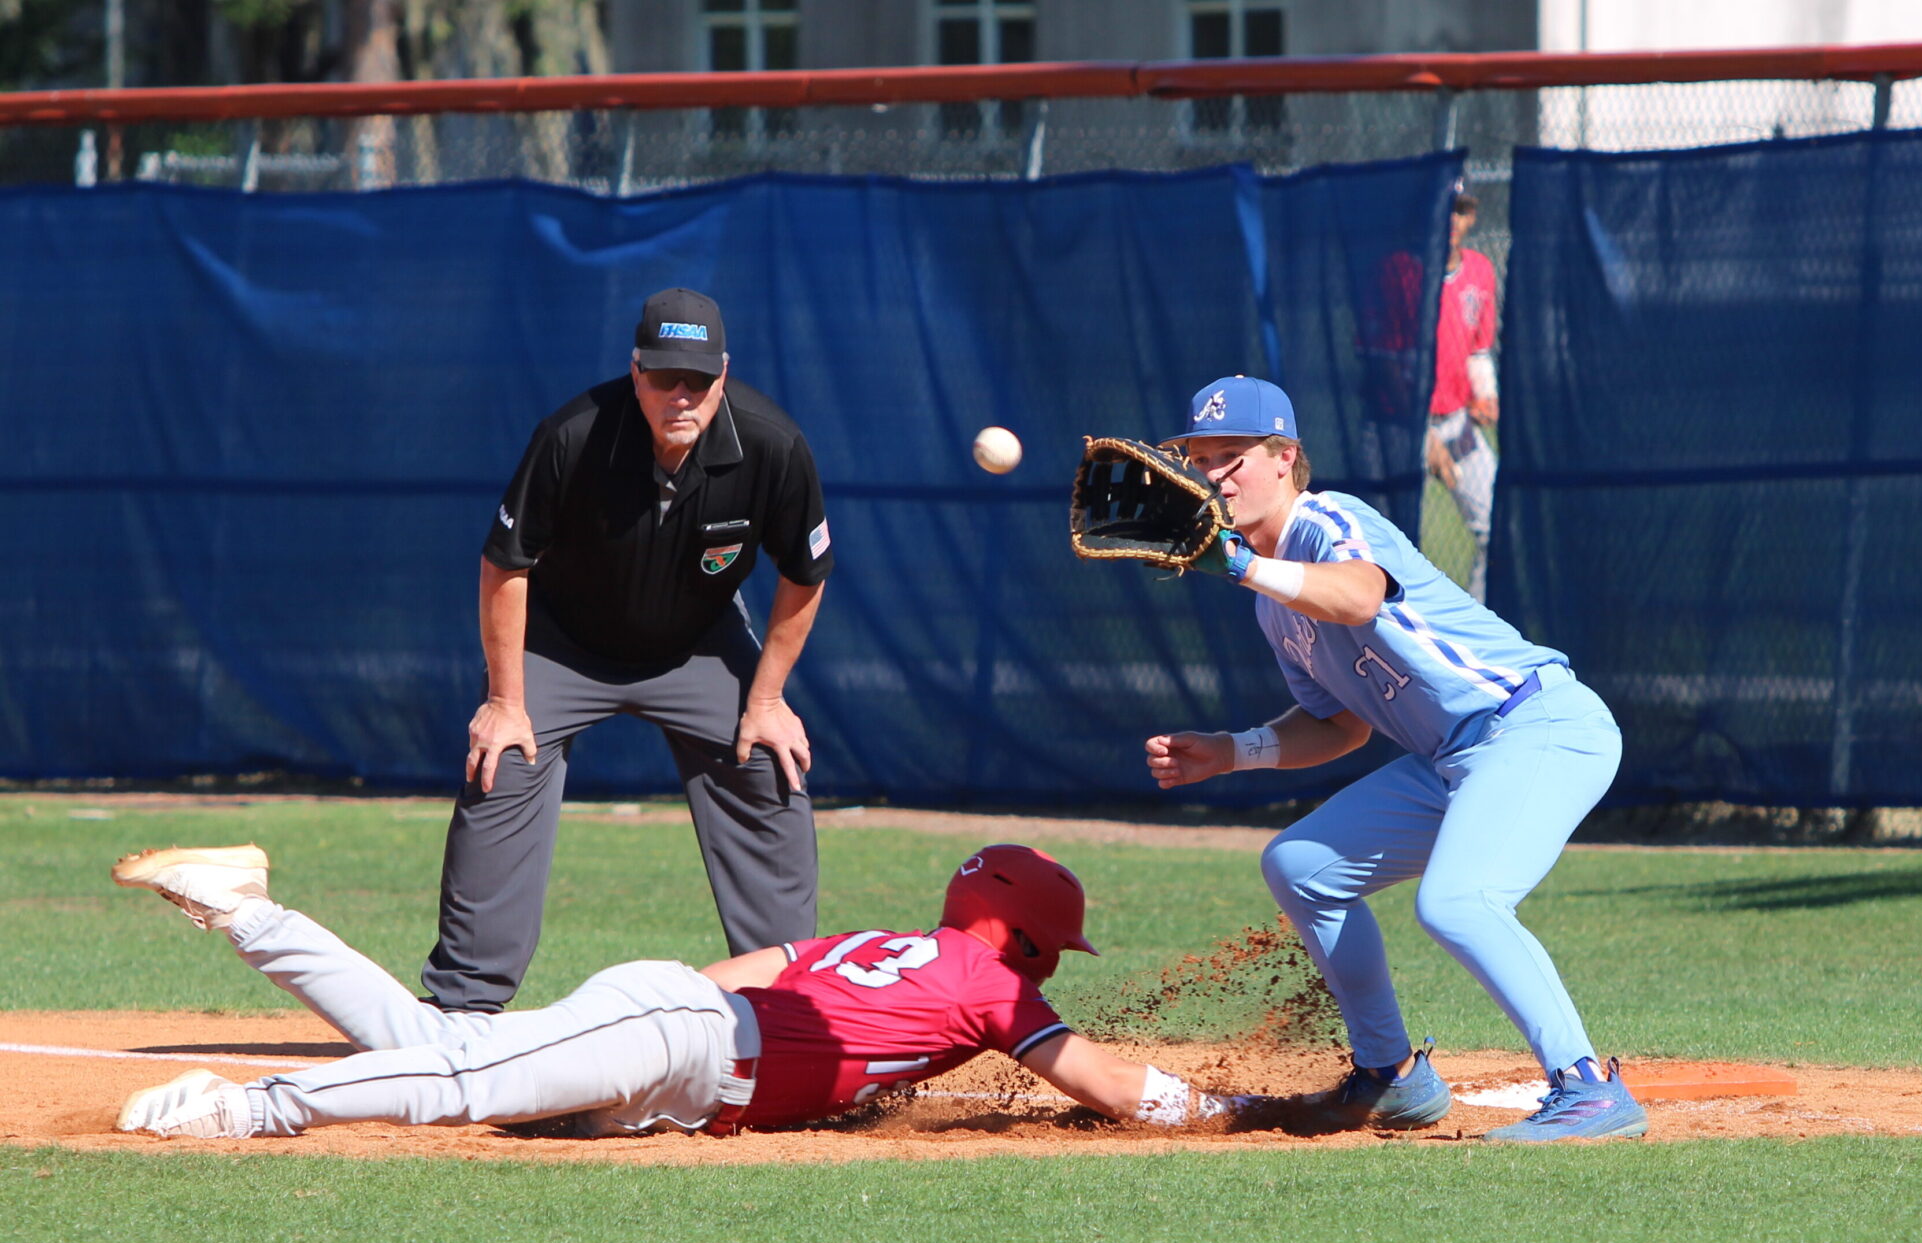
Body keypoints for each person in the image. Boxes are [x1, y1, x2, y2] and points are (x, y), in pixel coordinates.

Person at [1144, 375, 1646, 1144]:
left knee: (1458, 901)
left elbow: (1357, 598)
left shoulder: (1328, 519)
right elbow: (1339, 726)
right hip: (1452, 758)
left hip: (1536, 724)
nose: (1212, 475)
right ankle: (1391, 1078)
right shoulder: (1272, 604)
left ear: (1284, 458)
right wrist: (1232, 752)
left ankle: (1587, 1088)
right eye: (1201, 458)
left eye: (1231, 455)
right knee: (1300, 865)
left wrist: (1240, 564)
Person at [111, 844, 1252, 1141]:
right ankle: (247, 1106)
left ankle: (248, 906)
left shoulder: (887, 946)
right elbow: (1106, 1083)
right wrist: (1233, 1112)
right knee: (460, 1078)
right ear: (1034, 941)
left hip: (679, 1031)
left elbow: (740, 970)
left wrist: (619, 1037)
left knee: (442, 1042)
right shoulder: (992, 988)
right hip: (684, 1043)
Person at [426, 288, 833, 1014]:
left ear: (724, 374)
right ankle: (462, 1013)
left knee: (771, 760)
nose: (682, 394)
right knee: (501, 760)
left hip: (697, 646)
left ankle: (786, 1006)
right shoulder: (575, 436)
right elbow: (506, 565)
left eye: (699, 379)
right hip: (563, 641)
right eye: (665, 376)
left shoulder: (772, 445)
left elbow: (805, 576)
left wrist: (767, 701)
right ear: (635, 369)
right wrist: (504, 700)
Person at [1423, 183, 1500, 601]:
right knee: (1390, 541)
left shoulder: (1480, 270)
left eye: (1462, 210)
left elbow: (1479, 349)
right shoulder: (1404, 272)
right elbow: (1388, 368)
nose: (1453, 220)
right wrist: (1426, 441)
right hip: (1404, 428)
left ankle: (1479, 637)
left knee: (1497, 528)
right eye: (1446, 208)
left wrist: (1485, 394)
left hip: (1457, 422)